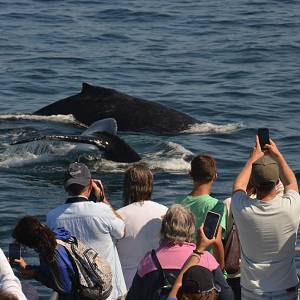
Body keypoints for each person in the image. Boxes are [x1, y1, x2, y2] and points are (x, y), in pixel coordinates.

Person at [231, 136, 300, 299]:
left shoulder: (242, 208)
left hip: (252, 292)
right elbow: (291, 183)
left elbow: (239, 186)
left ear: (253, 183)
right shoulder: (291, 206)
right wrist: (277, 155)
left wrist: (252, 159)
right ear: (277, 182)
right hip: (286, 290)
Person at [46, 162, 126, 300]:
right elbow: (122, 231)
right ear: (90, 185)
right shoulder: (102, 210)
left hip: (76, 294)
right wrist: (103, 199)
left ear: (66, 187)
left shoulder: (52, 217)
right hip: (108, 293)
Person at [126, 204, 233, 300]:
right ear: (191, 229)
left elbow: (133, 296)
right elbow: (227, 296)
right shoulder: (205, 258)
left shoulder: (150, 260)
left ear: (164, 228)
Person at [117, 164, 168, 289]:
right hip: (158, 285)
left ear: (127, 187)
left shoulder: (118, 216)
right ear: (150, 185)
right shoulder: (165, 212)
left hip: (126, 285)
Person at [176, 155, 226, 269]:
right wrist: (221, 269)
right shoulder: (216, 205)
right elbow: (216, 240)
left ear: (190, 175)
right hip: (206, 265)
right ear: (215, 176)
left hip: (183, 263)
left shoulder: (178, 202)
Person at [12, 216, 77, 299]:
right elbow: (52, 270)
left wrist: (35, 274)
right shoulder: (53, 240)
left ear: (30, 243)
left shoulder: (53, 252)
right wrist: (27, 267)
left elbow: (65, 288)